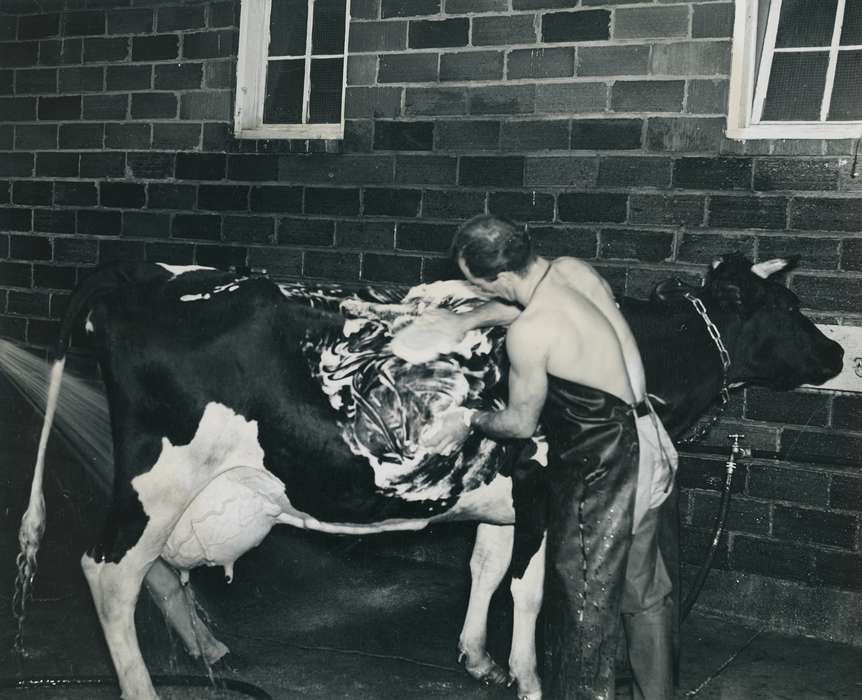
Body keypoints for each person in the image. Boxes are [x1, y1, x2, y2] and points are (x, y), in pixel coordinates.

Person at [416, 214, 676, 700]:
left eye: (478, 286)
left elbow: (517, 423)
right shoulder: (574, 271)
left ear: (496, 278)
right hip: (650, 439)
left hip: (607, 468)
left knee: (583, 609)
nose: (482, 293)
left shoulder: (530, 335)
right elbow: (538, 311)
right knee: (645, 593)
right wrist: (470, 316)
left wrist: (465, 418)